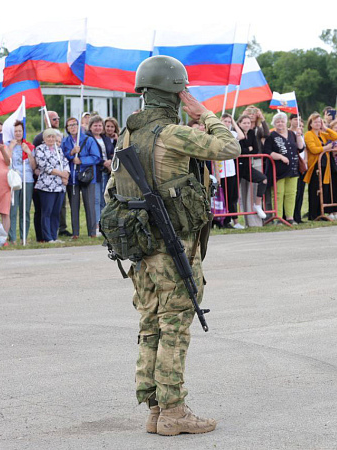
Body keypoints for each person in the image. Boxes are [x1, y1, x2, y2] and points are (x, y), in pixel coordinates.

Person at [107, 55, 239, 436]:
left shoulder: (127, 135)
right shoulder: (172, 133)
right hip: (172, 245)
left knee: (150, 324)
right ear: (177, 91)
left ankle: (155, 409)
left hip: (141, 248)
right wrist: (205, 114)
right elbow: (229, 148)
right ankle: (175, 411)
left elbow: (114, 191)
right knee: (175, 326)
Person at [62, 117, 100, 239]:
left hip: (87, 177)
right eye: (70, 125)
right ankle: (75, 233)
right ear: (67, 128)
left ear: (79, 126)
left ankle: (92, 232)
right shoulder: (65, 142)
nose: (72, 127)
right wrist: (71, 153)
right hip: (73, 178)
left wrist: (82, 160)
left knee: (89, 205)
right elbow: (62, 156)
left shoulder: (88, 140)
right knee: (74, 205)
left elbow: (96, 157)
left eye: (74, 124)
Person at [263, 112, 303, 223]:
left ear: (286, 122)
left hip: (293, 168)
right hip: (278, 170)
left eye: (282, 121)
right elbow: (267, 151)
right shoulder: (271, 136)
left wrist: (299, 136)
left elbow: (300, 148)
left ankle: (289, 217)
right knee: (278, 194)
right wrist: (280, 156)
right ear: (274, 123)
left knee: (291, 193)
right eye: (277, 122)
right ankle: (279, 217)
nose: (280, 124)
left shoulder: (292, 134)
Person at [34, 128, 69, 243]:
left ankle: (54, 236)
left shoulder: (58, 150)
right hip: (46, 186)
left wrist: (66, 175)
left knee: (56, 212)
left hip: (59, 185)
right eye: (48, 137)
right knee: (47, 212)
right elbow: (44, 166)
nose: (51, 139)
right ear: (44, 138)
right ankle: (47, 237)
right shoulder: (40, 149)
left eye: (53, 137)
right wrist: (61, 174)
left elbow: (65, 163)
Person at [304, 113, 337, 221]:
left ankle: (321, 212)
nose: (318, 124)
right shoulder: (308, 134)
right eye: (315, 122)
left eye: (319, 122)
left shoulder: (322, 133)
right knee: (315, 190)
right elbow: (313, 149)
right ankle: (313, 214)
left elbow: (335, 136)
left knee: (324, 190)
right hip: (315, 166)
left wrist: (325, 128)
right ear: (310, 123)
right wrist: (325, 148)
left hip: (324, 165)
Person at [8, 121, 36, 244]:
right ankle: (12, 238)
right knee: (13, 210)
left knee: (25, 210)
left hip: (27, 179)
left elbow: (34, 166)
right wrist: (11, 147)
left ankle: (23, 237)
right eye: (16, 131)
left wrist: (29, 153)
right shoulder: (9, 145)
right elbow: (6, 161)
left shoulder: (29, 146)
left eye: (20, 131)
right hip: (14, 181)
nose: (18, 133)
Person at [236, 114, 268, 219]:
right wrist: (247, 148)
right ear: (239, 124)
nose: (246, 125)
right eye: (244, 123)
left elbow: (255, 149)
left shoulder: (251, 133)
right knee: (234, 193)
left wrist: (247, 149)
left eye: (248, 123)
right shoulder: (235, 133)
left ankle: (257, 205)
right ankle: (232, 219)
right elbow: (239, 150)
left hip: (246, 166)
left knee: (263, 179)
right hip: (236, 167)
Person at [216, 113, 244, 229]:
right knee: (223, 196)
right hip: (221, 171)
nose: (227, 123)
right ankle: (223, 220)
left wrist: (233, 122)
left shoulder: (231, 134)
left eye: (228, 121)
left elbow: (241, 136)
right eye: (225, 121)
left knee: (232, 196)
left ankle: (232, 219)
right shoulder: (216, 134)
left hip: (231, 170)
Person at [86, 115, 115, 222]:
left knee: (105, 198)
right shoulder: (88, 138)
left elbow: (111, 151)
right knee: (96, 199)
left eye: (99, 125)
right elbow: (91, 154)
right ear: (90, 127)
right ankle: (97, 223)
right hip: (95, 172)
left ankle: (103, 222)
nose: (98, 127)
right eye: (95, 125)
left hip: (106, 171)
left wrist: (110, 161)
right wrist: (104, 162)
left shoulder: (105, 138)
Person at [290, 114, 307, 224]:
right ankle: (290, 215)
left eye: (299, 119)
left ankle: (298, 215)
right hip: (293, 165)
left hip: (301, 165)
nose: (297, 121)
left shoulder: (301, 134)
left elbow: (304, 149)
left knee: (300, 191)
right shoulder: (289, 133)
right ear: (291, 120)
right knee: (293, 192)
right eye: (295, 119)